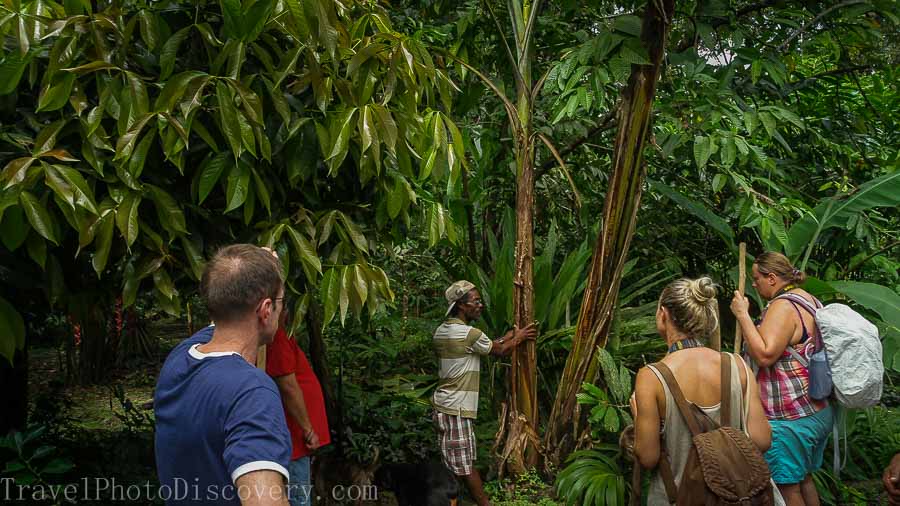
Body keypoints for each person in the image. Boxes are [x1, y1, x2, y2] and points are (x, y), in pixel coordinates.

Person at [155, 244, 291, 505]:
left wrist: (263, 268)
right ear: (265, 310)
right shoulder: (251, 394)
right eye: (280, 302)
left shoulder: (179, 360)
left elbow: (231, 300)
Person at [631, 277, 774, 504]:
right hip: (738, 497)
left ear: (663, 314)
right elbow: (762, 440)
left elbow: (647, 457)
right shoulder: (737, 365)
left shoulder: (652, 377)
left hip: (677, 497)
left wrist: (638, 414)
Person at [731, 252, 834, 506]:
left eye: (757, 278)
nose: (754, 283)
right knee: (804, 480)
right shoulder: (808, 299)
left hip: (790, 416)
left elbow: (766, 354)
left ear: (773, 278)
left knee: (787, 488)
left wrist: (743, 315)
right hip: (816, 409)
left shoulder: (783, 306)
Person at [433, 281, 537, 506]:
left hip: (445, 405)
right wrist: (520, 337)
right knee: (465, 465)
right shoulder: (469, 334)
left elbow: (490, 345)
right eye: (475, 301)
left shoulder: (443, 331)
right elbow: (499, 350)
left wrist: (511, 336)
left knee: (452, 463)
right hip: (457, 409)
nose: (480, 305)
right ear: (461, 306)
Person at [266, 308, 331, 506]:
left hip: (296, 437)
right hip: (295, 437)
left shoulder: (283, 334)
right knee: (298, 497)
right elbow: (287, 385)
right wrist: (308, 430)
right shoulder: (277, 337)